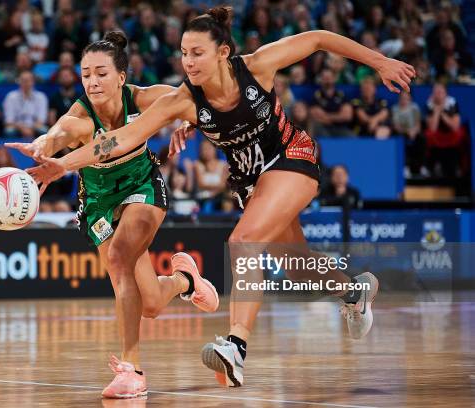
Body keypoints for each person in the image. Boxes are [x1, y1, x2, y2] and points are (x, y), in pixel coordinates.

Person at [27, 7, 415, 388]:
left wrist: (378, 61)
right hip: (250, 180)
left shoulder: (257, 66)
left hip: (291, 157)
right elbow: (119, 140)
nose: (188, 61)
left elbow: (317, 39)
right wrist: (64, 164)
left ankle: (235, 346)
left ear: (222, 52)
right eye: (183, 53)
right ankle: (354, 290)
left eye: (197, 53)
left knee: (243, 241)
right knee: (296, 269)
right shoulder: (184, 100)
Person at [7, 31, 219, 399]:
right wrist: (42, 145)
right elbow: (57, 134)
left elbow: (200, 100)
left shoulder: (144, 98)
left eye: (101, 73)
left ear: (121, 76)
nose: (92, 81)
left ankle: (132, 370)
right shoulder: (80, 117)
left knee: (121, 256)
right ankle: (185, 281)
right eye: (86, 74)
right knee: (150, 304)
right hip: (98, 205)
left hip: (143, 187)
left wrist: (189, 123)